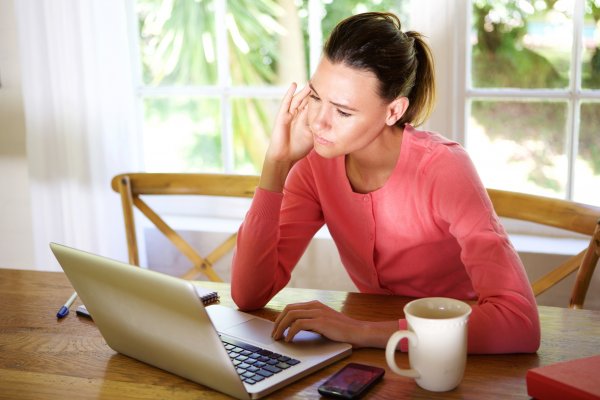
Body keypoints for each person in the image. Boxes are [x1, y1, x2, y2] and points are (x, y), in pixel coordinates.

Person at [231, 11, 540, 354]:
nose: (318, 122)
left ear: (393, 111)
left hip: (461, 357)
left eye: (343, 111)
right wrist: (277, 164)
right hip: (380, 357)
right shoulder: (316, 164)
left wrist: (359, 331)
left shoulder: (444, 169)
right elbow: (249, 295)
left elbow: (519, 323)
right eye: (316, 97)